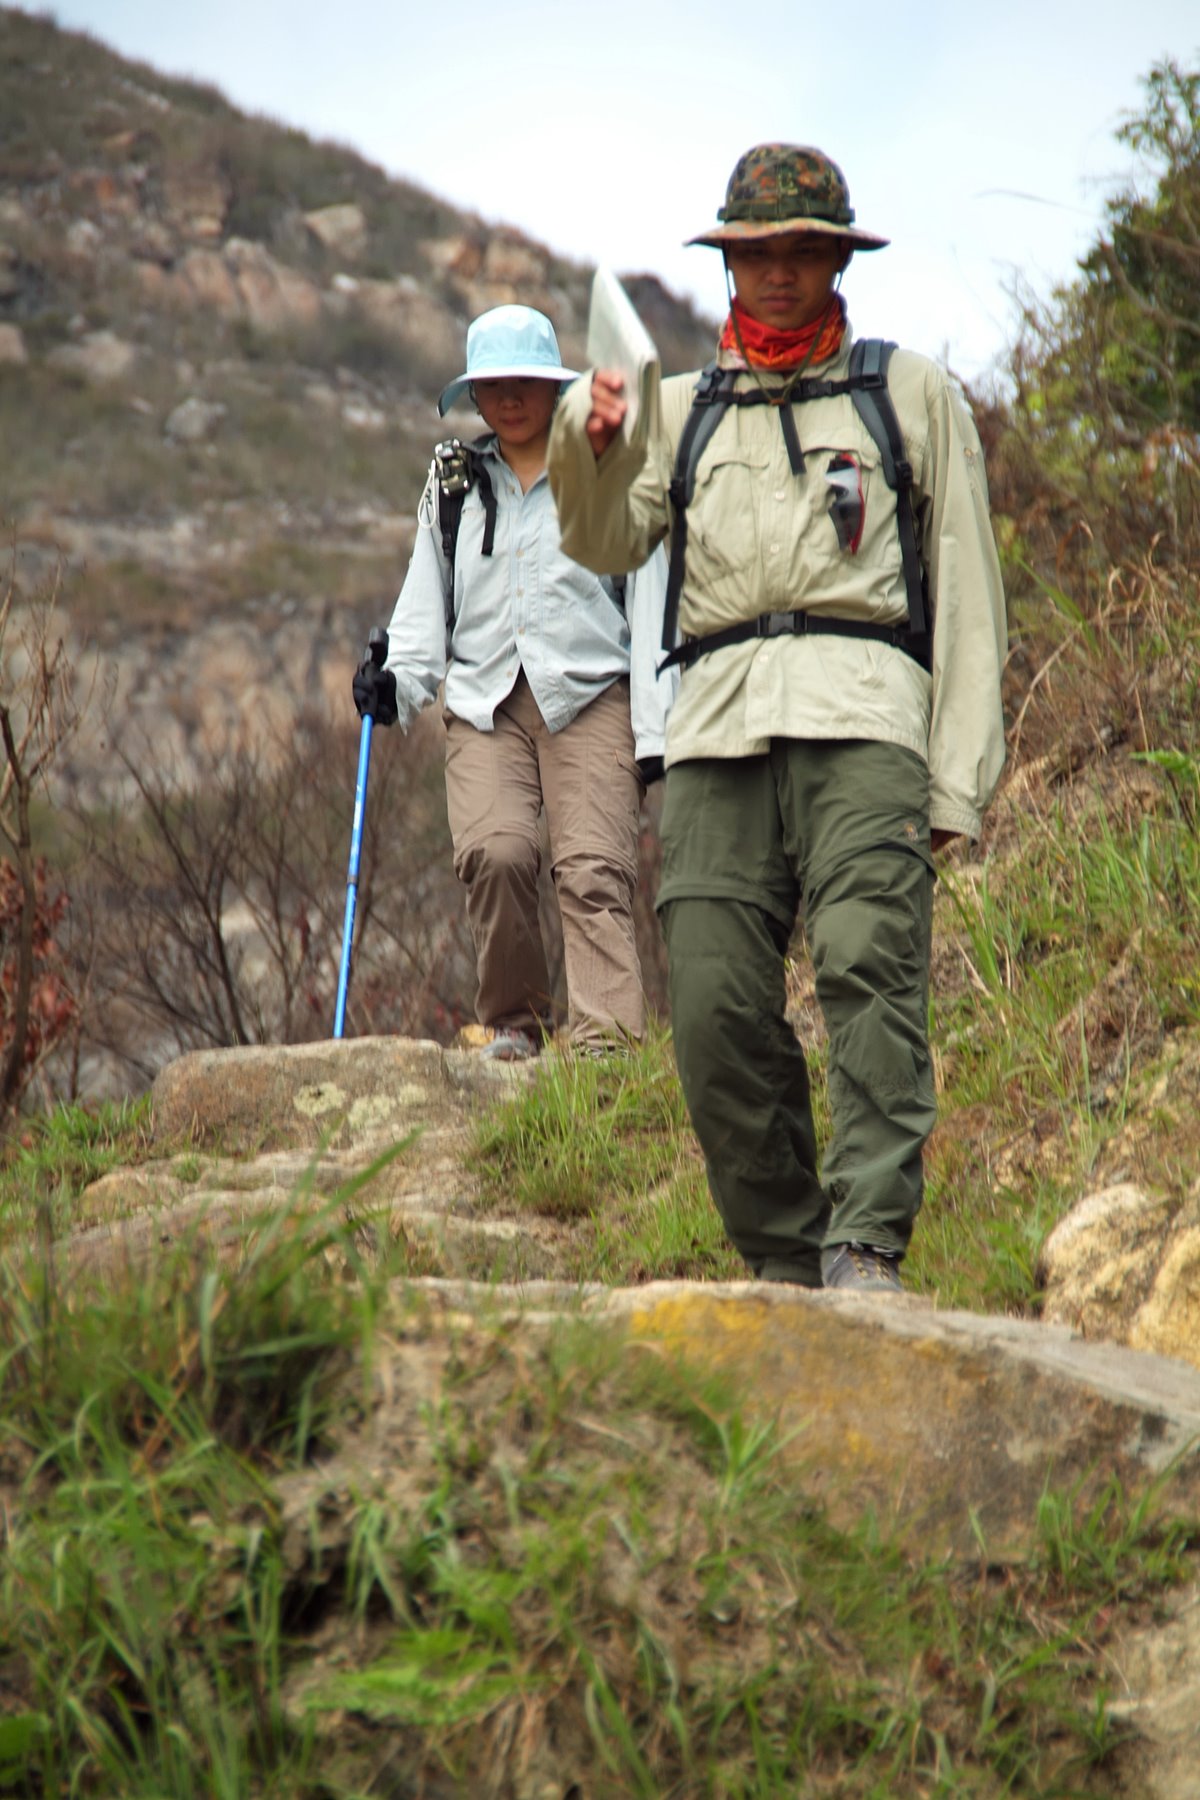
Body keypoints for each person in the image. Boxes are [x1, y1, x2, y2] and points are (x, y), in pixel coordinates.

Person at [547, 145, 1007, 1288]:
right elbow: (604, 539)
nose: (782, 273)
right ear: (730, 264)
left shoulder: (908, 394)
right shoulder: (675, 410)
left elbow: (967, 586)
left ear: (839, 259)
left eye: (805, 250)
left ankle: (867, 1243)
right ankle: (786, 1257)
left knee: (868, 968)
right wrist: (586, 441)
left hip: (868, 723)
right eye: (758, 253)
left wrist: (956, 778)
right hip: (716, 733)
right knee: (709, 1008)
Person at [353, 303, 673, 1061]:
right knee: (495, 855)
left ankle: (608, 1047)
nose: (510, 398)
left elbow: (650, 595)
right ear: (474, 394)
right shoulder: (454, 485)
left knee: (593, 869)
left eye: (525, 382)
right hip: (484, 706)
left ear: (556, 386)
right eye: (493, 385)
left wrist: (657, 727)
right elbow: (426, 602)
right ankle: (515, 1027)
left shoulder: (608, 470)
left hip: (594, 699)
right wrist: (394, 683)